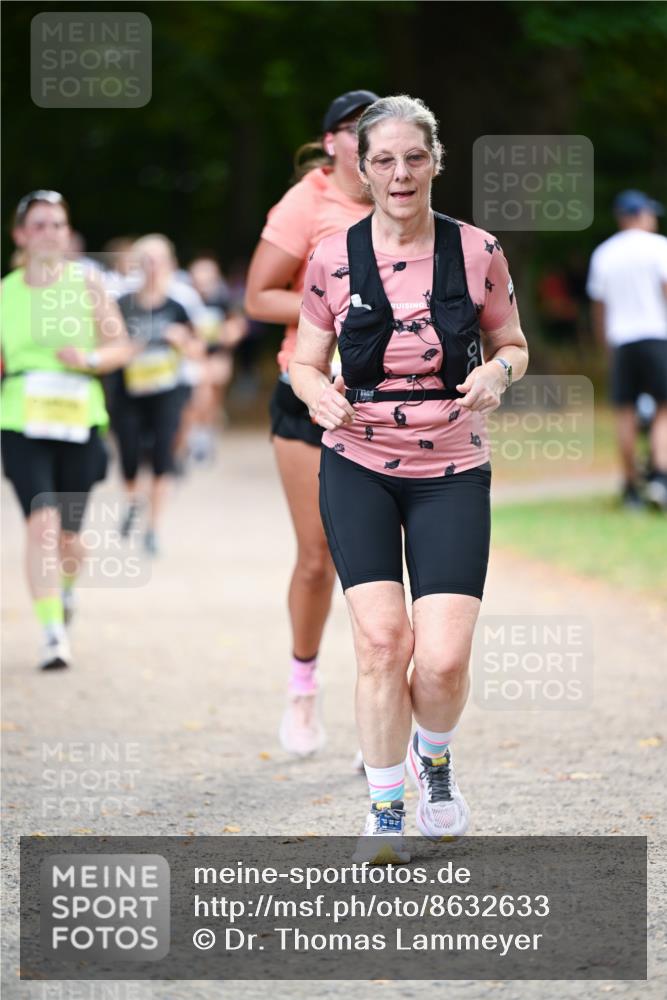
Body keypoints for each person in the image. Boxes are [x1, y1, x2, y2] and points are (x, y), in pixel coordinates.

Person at [289, 95, 529, 861]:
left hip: (452, 466)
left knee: (444, 659)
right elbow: (300, 358)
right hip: (356, 461)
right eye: (383, 159)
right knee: (382, 644)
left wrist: (496, 373)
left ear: (434, 162)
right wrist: (314, 390)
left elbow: (514, 345)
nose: (399, 173)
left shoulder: (477, 251)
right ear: (359, 166)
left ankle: (436, 759)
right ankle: (386, 810)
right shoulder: (331, 256)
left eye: (413, 158)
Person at [245, 89, 379, 756]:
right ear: (331, 142)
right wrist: (332, 303)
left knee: (376, 566)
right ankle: (302, 686)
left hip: (382, 405)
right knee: (318, 557)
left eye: (376, 128)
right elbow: (257, 293)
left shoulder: (402, 198)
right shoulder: (309, 200)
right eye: (355, 130)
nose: (367, 141)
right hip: (308, 393)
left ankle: (375, 715)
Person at [1, 190, 130, 669]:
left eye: (57, 224)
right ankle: (52, 632)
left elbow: (121, 348)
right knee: (42, 525)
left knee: (71, 541)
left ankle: (66, 593)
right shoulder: (5, 292)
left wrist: (91, 358)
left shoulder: (87, 284)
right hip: (20, 420)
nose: (50, 233)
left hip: (78, 420)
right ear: (21, 235)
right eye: (39, 225)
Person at [110, 234, 202, 554]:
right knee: (130, 454)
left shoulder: (178, 306)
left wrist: (182, 340)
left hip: (166, 392)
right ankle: (134, 502)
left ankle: (153, 528)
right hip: (128, 392)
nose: (151, 267)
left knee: (163, 455)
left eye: (157, 259)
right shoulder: (122, 304)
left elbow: (198, 350)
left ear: (167, 264)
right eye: (145, 260)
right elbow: (106, 345)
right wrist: (125, 349)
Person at [587, 189, 667, 510]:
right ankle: (661, 476)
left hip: (621, 340)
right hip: (656, 336)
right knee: (664, 408)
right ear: (641, 215)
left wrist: (604, 344)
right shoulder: (659, 248)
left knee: (625, 412)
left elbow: (599, 308)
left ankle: (631, 486)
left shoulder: (604, 253)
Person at [187, 255, 247, 459]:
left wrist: (226, 335)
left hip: (217, 354)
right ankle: (196, 435)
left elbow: (238, 325)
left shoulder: (223, 299)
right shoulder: (185, 300)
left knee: (213, 392)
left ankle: (207, 430)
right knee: (199, 394)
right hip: (192, 357)